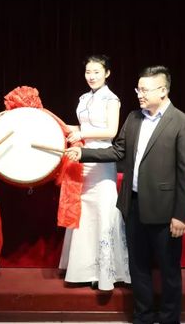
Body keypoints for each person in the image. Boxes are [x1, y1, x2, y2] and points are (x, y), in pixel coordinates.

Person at [66, 65, 185, 324]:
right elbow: (118, 152)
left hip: (164, 210)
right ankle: (143, 316)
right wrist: (83, 153)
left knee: (169, 270)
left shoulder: (182, 122)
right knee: (138, 268)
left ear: (163, 90)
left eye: (145, 90)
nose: (140, 94)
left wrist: (181, 215)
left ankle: (169, 319)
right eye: (138, 89)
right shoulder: (134, 118)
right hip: (133, 205)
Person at [58, 54, 130, 291]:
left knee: (103, 210)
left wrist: (82, 134)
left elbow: (111, 131)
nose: (91, 76)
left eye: (97, 72)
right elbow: (82, 127)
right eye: (88, 72)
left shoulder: (112, 99)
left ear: (107, 73)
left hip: (101, 159)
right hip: (82, 159)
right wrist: (57, 124)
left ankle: (106, 272)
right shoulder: (83, 98)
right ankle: (84, 269)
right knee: (84, 213)